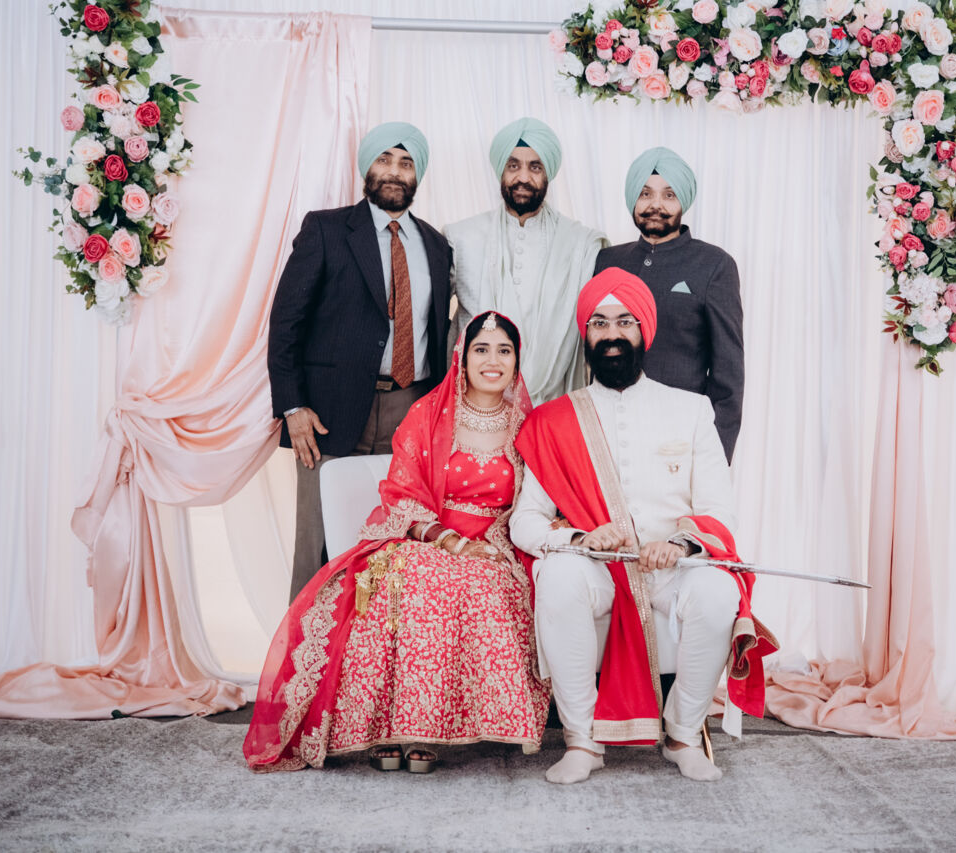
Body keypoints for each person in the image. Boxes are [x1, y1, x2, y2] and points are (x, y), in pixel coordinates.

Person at [245, 313, 551, 772]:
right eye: (481, 350)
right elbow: (403, 492)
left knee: (476, 584)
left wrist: (493, 542)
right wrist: (448, 541)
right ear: (462, 358)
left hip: (495, 544)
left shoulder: (528, 426)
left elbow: (541, 498)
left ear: (516, 361)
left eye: (504, 351)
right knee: (410, 578)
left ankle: (424, 729)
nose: (493, 360)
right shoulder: (428, 414)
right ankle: (383, 728)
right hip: (427, 535)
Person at [510, 268, 776, 785]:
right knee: (559, 578)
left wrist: (680, 544)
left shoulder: (691, 410)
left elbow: (720, 510)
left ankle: (683, 734)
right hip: (598, 568)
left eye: (624, 321)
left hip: (670, 569)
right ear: (585, 334)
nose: (612, 334)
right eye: (599, 323)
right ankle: (581, 740)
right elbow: (525, 521)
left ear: (644, 331)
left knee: (718, 591)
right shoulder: (553, 421)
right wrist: (579, 539)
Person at [268, 121, 453, 602]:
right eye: (384, 159)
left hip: (410, 410)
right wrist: (292, 407)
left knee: (396, 540)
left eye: (406, 162)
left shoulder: (436, 246)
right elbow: (286, 323)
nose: (394, 171)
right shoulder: (326, 229)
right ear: (366, 167)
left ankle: (377, 648)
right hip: (328, 413)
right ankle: (304, 651)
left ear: (418, 175)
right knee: (319, 543)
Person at [593, 147, 744, 461]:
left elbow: (727, 377)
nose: (656, 205)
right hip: (608, 431)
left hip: (677, 438)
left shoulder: (714, 265)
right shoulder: (607, 261)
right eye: (645, 193)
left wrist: (713, 460)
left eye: (669, 195)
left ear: (683, 201)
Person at [448, 117, 607, 403]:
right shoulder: (460, 236)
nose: (523, 177)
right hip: (473, 404)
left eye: (535, 167)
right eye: (513, 166)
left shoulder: (581, 244)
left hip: (552, 403)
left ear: (548, 173)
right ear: (501, 170)